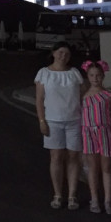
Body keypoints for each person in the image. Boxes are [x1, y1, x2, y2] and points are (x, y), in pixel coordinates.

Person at [35, 41, 85, 210]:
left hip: (74, 121)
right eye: (61, 52)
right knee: (56, 157)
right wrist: (42, 121)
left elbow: (84, 96)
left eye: (67, 54)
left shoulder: (74, 73)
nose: (64, 56)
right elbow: (39, 100)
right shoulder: (44, 73)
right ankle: (57, 194)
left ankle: (72, 195)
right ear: (54, 53)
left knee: (73, 157)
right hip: (53, 121)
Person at [81, 60, 111, 215]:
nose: (95, 78)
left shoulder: (109, 95)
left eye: (98, 75)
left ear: (103, 76)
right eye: (92, 75)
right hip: (88, 133)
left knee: (106, 167)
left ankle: (107, 200)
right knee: (92, 167)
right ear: (87, 76)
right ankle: (94, 199)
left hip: (105, 133)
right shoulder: (84, 95)